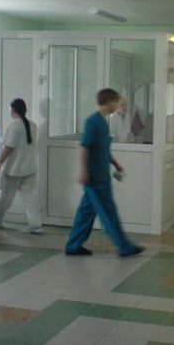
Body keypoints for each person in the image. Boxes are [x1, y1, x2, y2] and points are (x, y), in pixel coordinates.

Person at [65, 88, 145, 257]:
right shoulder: (93, 121)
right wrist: (83, 171)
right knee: (108, 211)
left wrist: (116, 164)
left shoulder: (103, 122)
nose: (117, 105)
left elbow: (102, 149)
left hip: (100, 175)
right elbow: (83, 147)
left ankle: (73, 245)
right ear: (109, 101)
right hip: (95, 178)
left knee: (86, 213)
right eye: (116, 102)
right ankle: (124, 246)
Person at [0, 98, 43, 234]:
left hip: (14, 170)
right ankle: (35, 224)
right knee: (30, 198)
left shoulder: (14, 126)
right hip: (30, 168)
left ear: (13, 110)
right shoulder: (33, 125)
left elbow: (8, 148)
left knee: (4, 197)